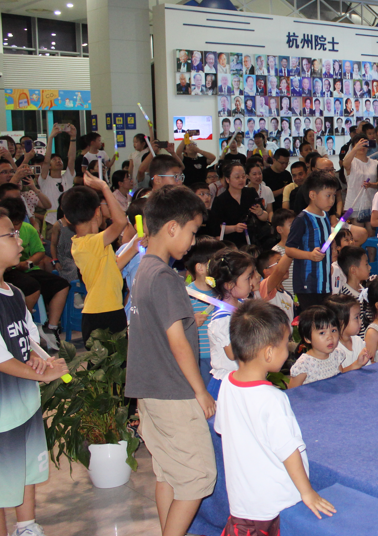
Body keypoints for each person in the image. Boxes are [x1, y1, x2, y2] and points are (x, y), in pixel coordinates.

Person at [0, 205, 69, 536]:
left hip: (23, 402)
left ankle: (26, 525)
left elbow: (26, 339)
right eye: (11, 235)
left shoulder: (15, 292)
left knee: (26, 469)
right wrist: (43, 375)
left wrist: (40, 359)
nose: (20, 241)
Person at [126, 185, 215, 536]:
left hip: (149, 389)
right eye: (192, 232)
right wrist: (200, 391)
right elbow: (177, 341)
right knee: (197, 478)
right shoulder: (165, 277)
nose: (193, 242)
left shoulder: (144, 269)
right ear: (172, 227)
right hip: (174, 392)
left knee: (168, 474)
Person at [215, 300, 336, 535]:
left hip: (243, 502)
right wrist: (307, 492)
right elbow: (288, 451)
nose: (288, 349)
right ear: (269, 353)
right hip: (274, 504)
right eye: (285, 343)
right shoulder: (272, 399)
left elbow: (223, 429)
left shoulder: (228, 384)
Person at [62, 173, 130, 343]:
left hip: (103, 311)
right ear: (97, 212)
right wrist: (104, 187)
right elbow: (121, 222)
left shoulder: (86, 243)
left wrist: (135, 246)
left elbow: (114, 266)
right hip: (104, 313)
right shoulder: (92, 242)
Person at [283, 171, 339, 308]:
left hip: (324, 283)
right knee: (312, 318)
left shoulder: (325, 216)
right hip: (307, 284)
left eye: (334, 196)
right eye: (328, 195)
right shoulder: (302, 219)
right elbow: (289, 249)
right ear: (312, 195)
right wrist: (309, 255)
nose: (332, 200)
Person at [206, 249, 256, 398]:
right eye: (248, 278)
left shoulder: (244, 304)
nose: (252, 282)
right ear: (229, 285)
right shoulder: (222, 319)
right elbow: (233, 353)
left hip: (243, 377)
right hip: (226, 384)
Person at [183, 239, 224, 386]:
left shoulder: (223, 293)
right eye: (217, 262)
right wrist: (191, 321)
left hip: (221, 357)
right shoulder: (186, 295)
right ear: (200, 268)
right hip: (199, 357)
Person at [209, 161, 269, 247]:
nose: (241, 180)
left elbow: (265, 217)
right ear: (227, 179)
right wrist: (234, 228)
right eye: (237, 177)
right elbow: (216, 228)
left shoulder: (251, 193)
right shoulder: (220, 200)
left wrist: (260, 213)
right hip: (231, 243)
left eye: (243, 176)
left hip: (253, 241)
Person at [288, 305, 343, 387]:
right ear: (307, 338)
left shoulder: (336, 355)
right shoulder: (304, 365)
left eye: (333, 330)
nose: (330, 337)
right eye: (322, 333)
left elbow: (341, 379)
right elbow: (293, 391)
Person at [325, 294, 372, 370]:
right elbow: (336, 375)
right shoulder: (332, 349)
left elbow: (368, 368)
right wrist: (357, 364)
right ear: (341, 322)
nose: (360, 321)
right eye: (356, 317)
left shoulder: (358, 341)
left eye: (360, 316)